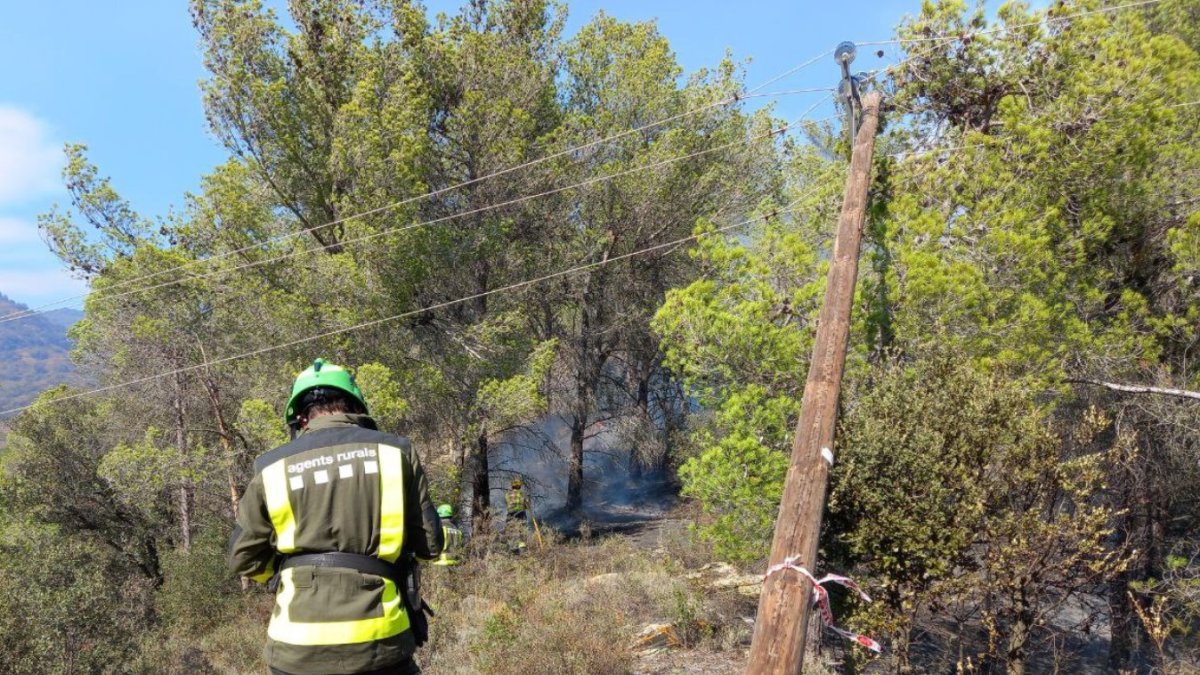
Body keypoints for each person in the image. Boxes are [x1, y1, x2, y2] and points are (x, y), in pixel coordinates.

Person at [228, 358, 443, 675]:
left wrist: (288, 575)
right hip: (381, 644)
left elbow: (243, 558)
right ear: (355, 406)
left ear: (300, 418)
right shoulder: (396, 452)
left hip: (294, 649)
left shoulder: (270, 468)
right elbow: (431, 544)